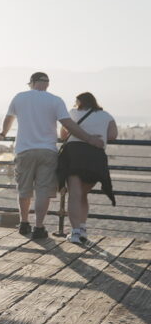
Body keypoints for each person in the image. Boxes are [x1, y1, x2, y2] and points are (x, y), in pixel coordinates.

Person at [0, 72, 104, 239]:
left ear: (32, 83)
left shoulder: (20, 97)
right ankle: (39, 227)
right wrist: (89, 138)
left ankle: (23, 223)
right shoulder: (55, 100)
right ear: (47, 84)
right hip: (47, 151)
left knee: (24, 189)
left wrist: (3, 134)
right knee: (43, 190)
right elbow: (68, 124)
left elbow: (9, 118)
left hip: (24, 150)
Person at [57, 92, 117, 244]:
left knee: (75, 195)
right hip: (96, 157)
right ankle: (82, 228)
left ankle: (75, 232)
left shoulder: (71, 113)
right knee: (83, 195)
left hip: (75, 155)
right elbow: (112, 135)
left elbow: (63, 135)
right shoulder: (106, 115)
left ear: (79, 102)